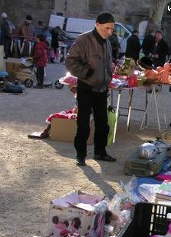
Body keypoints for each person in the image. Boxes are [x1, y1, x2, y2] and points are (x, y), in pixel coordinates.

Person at [65, 12, 117, 166]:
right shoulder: (83, 39)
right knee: (83, 124)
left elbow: (106, 62)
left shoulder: (107, 42)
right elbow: (70, 61)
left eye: (112, 29)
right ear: (97, 24)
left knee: (103, 123)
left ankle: (100, 152)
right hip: (86, 88)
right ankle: (80, 155)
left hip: (102, 89)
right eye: (106, 28)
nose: (109, 32)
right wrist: (87, 73)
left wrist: (109, 74)